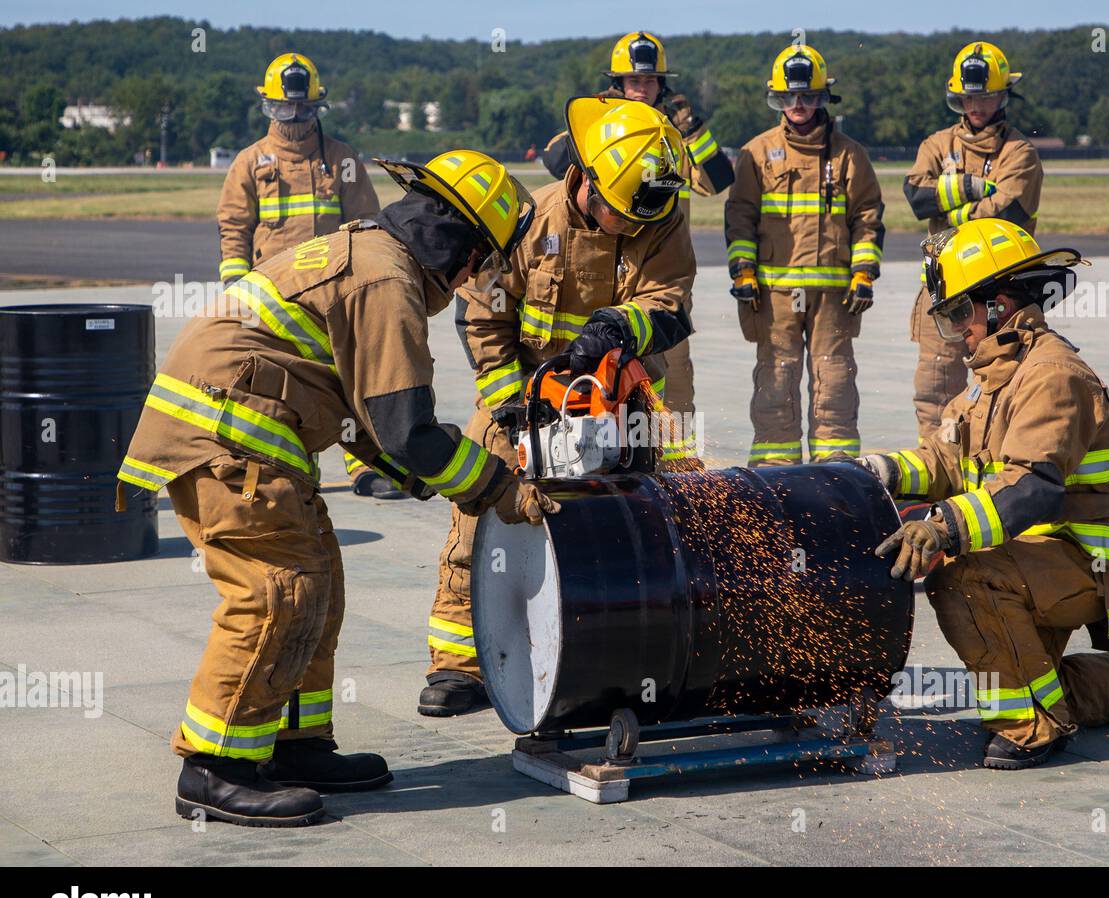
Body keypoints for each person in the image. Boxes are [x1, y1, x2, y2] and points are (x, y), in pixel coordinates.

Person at [117, 151, 556, 825]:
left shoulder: (369, 253)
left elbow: (368, 417)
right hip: (231, 441)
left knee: (319, 583)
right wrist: (500, 487)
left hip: (251, 436)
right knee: (278, 591)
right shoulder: (388, 283)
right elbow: (409, 430)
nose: (477, 279)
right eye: (482, 262)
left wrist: (413, 471)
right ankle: (215, 767)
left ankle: (292, 745)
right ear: (460, 247)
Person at [865, 218, 1109, 770]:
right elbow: (943, 457)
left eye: (961, 312)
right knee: (1047, 683)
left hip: (1085, 556)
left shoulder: (1052, 374)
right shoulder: (995, 376)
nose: (957, 329)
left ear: (1000, 305)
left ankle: (1033, 728)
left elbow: (1032, 489)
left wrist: (941, 528)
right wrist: (869, 473)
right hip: (1034, 555)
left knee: (960, 573)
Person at [420, 97, 696, 717]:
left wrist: (616, 330)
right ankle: (458, 664)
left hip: (622, 399)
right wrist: (510, 401)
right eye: (619, 213)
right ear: (584, 178)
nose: (632, 225)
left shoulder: (660, 216)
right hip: (521, 394)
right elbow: (483, 311)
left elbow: (669, 307)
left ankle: (629, 657)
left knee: (644, 529)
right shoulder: (526, 223)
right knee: (476, 523)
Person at [535, 30, 733, 462]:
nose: (641, 89)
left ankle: (680, 469)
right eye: (633, 82)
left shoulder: (673, 137)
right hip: (595, 254)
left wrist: (691, 128)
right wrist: (606, 125)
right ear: (618, 84)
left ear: (663, 86)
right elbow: (553, 160)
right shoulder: (605, 123)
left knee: (673, 374)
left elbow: (717, 180)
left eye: (649, 82)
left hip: (657, 261)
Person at [216, 52, 402, 500]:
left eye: (303, 108)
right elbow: (234, 228)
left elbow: (368, 224)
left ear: (317, 106)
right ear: (267, 106)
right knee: (278, 386)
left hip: (333, 294)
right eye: (284, 108)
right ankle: (293, 470)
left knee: (351, 379)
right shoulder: (249, 162)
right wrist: (235, 287)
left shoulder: (342, 160)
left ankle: (366, 468)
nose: (294, 118)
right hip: (273, 300)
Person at [724, 42, 885, 466]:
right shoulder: (756, 153)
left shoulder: (850, 155)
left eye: (808, 96)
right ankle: (776, 470)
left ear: (822, 97)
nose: (799, 105)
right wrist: (742, 271)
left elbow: (867, 215)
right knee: (776, 378)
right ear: (777, 97)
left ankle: (837, 471)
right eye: (790, 96)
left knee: (834, 379)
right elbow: (740, 215)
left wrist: (864, 272)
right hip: (774, 294)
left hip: (834, 295)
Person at [903, 40, 1043, 439]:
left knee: (1006, 381)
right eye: (968, 98)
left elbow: (1007, 213)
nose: (976, 106)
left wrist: (948, 209)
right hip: (945, 293)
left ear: (1004, 95)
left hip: (1002, 292)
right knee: (935, 390)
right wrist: (971, 187)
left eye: (987, 97)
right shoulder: (936, 144)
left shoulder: (1020, 152)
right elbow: (916, 198)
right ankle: (937, 472)